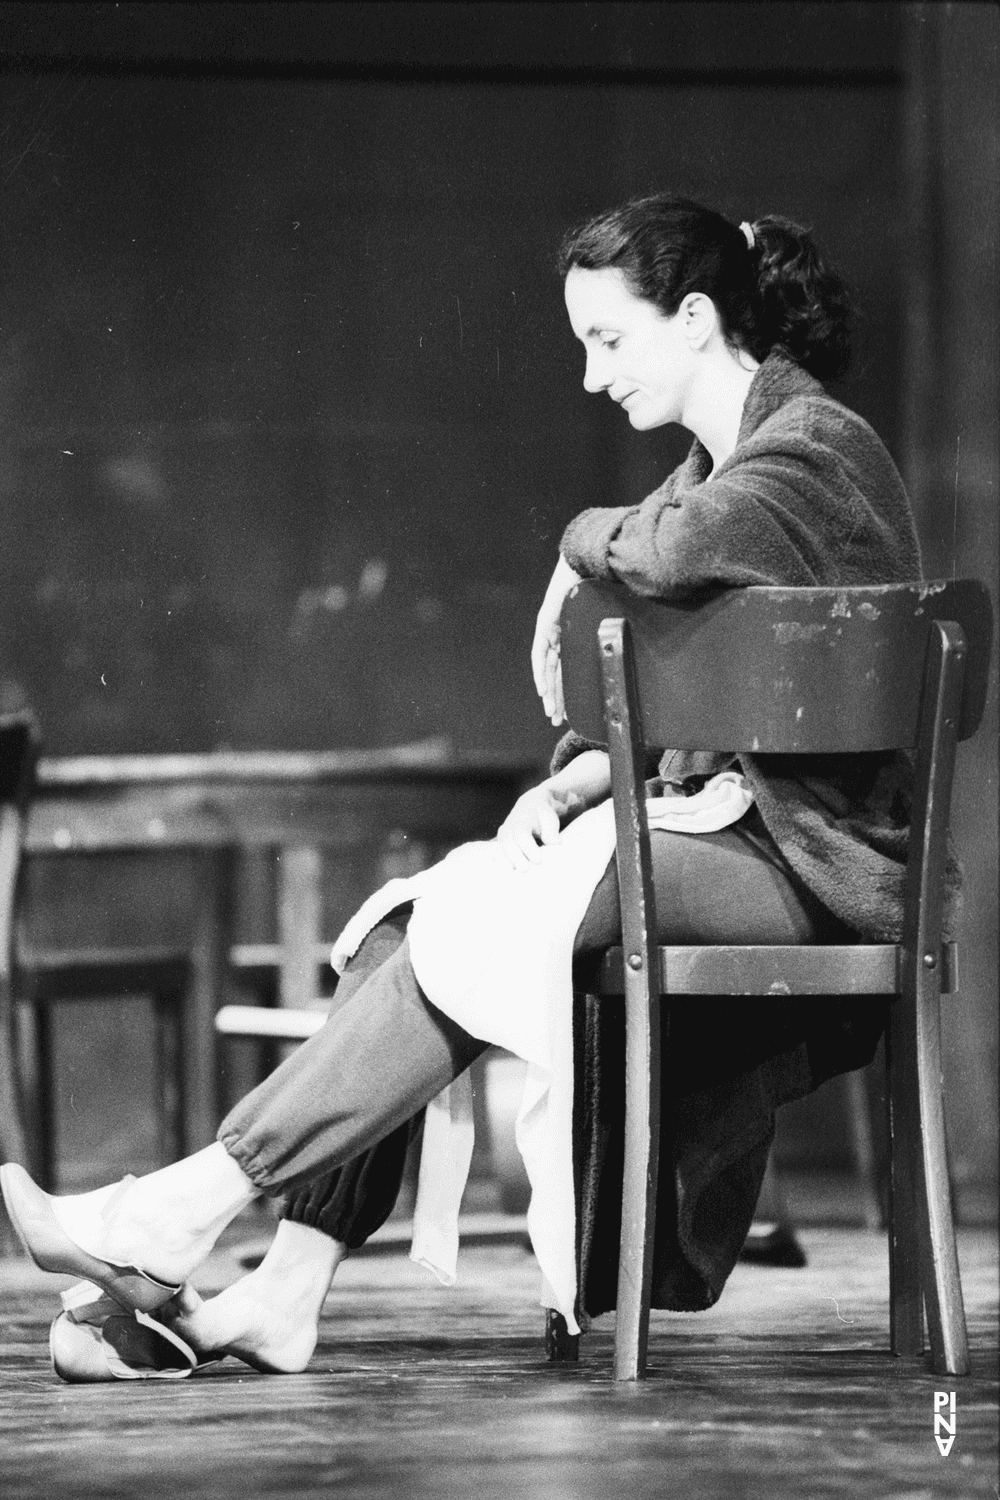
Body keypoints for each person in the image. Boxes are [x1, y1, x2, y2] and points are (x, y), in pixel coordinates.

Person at [2, 195, 928, 1379]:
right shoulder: (721, 466)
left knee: (496, 915)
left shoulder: (807, 450)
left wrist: (573, 540)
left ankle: (177, 1209)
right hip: (735, 839)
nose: (592, 380)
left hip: (820, 875)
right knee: (421, 921)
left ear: (695, 318)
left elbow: (667, 549)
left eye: (607, 340)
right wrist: (589, 777)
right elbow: (728, 691)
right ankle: (286, 1288)